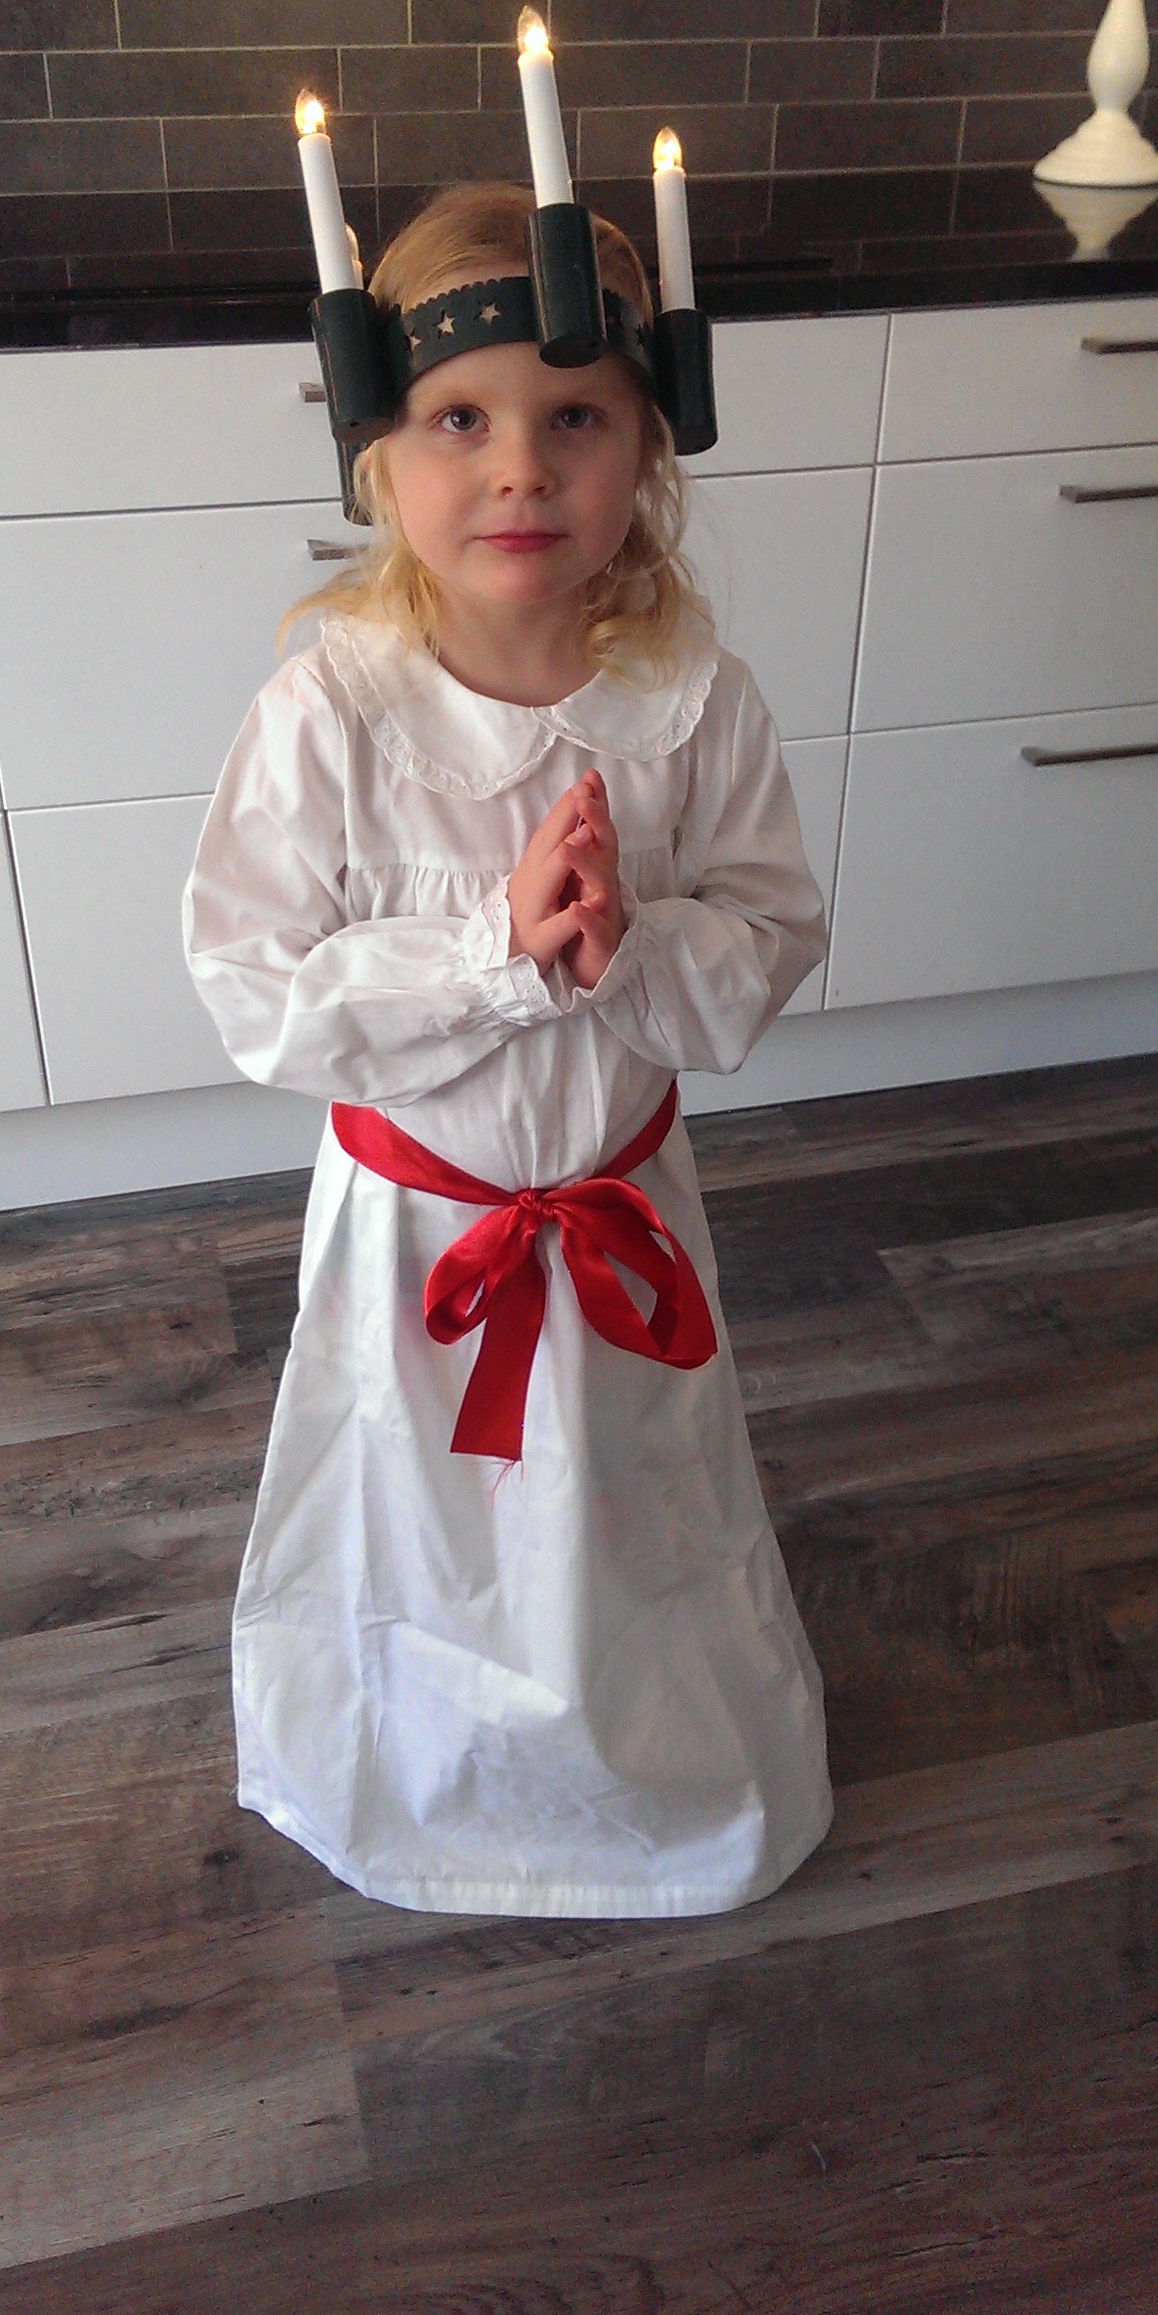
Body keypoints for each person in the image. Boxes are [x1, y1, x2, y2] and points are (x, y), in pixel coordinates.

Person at [183, 180, 832, 1917]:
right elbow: (253, 987)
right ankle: (424, 1765)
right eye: (460, 421)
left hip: (621, 1204)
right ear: (380, 456)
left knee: (628, 1496)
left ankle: (644, 1768)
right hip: (419, 1240)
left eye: (576, 420)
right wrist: (497, 955)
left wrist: (636, 948)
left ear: (648, 450)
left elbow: (770, 940)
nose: (521, 470)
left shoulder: (692, 704)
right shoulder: (333, 713)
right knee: (426, 1514)